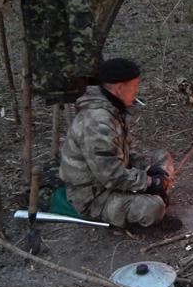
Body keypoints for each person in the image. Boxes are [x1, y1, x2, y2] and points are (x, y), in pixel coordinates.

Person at [60, 58, 181, 230]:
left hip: (113, 179)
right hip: (94, 195)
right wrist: (148, 182)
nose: (137, 91)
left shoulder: (111, 107)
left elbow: (124, 150)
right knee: (153, 208)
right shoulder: (96, 122)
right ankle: (148, 208)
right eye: (134, 86)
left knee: (161, 157)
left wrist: (150, 171)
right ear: (119, 88)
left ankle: (154, 194)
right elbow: (110, 176)